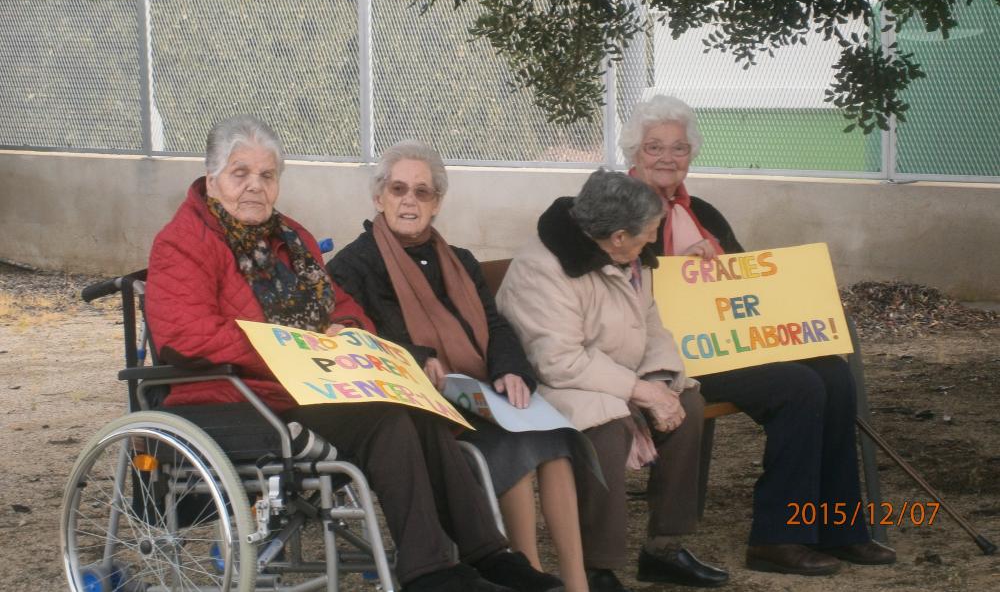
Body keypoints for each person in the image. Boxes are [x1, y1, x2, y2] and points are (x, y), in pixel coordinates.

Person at [144, 115, 562, 592]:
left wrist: (347, 330)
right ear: (212, 177)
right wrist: (290, 347)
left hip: (304, 387)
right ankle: (429, 572)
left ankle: (489, 555)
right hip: (232, 398)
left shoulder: (291, 237)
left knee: (420, 407)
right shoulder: (182, 243)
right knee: (385, 420)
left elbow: (340, 304)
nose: (255, 186)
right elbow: (187, 334)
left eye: (267, 174)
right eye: (241, 173)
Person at [621, 94, 897, 575]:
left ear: (691, 154)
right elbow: (614, 286)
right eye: (654, 147)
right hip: (665, 357)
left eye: (679, 148)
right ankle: (777, 538)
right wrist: (674, 270)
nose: (667, 157)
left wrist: (736, 272)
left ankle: (838, 527)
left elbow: (745, 283)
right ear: (634, 153)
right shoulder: (618, 208)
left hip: (723, 344)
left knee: (833, 374)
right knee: (798, 386)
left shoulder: (703, 211)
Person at [327, 140, 584, 592]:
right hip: (421, 402)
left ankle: (575, 580)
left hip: (479, 391)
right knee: (513, 448)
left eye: (422, 192)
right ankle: (522, 570)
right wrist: (419, 356)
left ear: (437, 202)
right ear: (379, 197)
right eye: (398, 189)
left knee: (554, 441)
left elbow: (494, 325)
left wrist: (510, 369)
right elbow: (362, 341)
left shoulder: (460, 260)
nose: (409, 200)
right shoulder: (353, 266)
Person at [496, 169, 730, 592]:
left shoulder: (629, 255)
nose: (653, 240)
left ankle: (663, 548)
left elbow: (650, 322)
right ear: (619, 236)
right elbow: (557, 360)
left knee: (688, 405)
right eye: (648, 233)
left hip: (614, 373)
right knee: (606, 427)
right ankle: (597, 565)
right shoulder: (543, 268)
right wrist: (638, 390)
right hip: (551, 384)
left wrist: (659, 381)